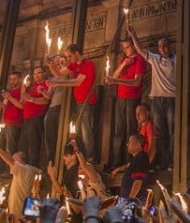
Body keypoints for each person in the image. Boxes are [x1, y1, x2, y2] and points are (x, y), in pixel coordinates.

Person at [127, 26, 175, 169]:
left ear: (169, 46)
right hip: (157, 98)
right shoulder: (155, 59)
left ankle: (172, 161)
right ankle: (163, 161)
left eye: (165, 45)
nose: (162, 48)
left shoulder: (177, 60)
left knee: (172, 130)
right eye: (160, 46)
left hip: (171, 97)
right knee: (160, 132)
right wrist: (134, 35)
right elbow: (141, 51)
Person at [47, 44, 97, 162]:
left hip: (87, 102)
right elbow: (58, 74)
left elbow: (77, 82)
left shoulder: (87, 64)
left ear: (76, 53)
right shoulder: (74, 64)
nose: (68, 59)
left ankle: (90, 158)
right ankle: (83, 157)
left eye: (69, 56)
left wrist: (57, 84)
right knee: (79, 131)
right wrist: (50, 65)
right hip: (78, 101)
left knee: (86, 131)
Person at [105, 39, 146, 168]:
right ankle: (117, 162)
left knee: (131, 130)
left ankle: (130, 161)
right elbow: (115, 75)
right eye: (123, 48)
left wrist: (116, 81)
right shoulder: (124, 60)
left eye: (127, 47)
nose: (125, 50)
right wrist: (123, 65)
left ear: (134, 46)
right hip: (121, 98)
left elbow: (136, 82)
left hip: (132, 98)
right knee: (119, 131)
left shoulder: (139, 60)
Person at [0, 141, 41, 221]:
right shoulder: (28, 171)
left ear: (19, 160)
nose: (10, 165)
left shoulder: (25, 171)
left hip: (19, 217)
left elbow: (11, 161)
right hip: (16, 216)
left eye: (14, 160)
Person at [18, 65, 50, 165]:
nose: (36, 76)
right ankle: (23, 166)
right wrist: (23, 88)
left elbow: (46, 100)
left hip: (36, 117)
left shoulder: (46, 84)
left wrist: (32, 99)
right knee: (23, 145)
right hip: (26, 118)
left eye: (39, 73)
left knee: (33, 144)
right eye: (35, 74)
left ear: (44, 73)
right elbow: (23, 100)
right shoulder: (32, 87)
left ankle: (32, 167)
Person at [0, 70, 23, 178]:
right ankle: (1, 170)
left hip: (14, 122)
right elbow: (5, 107)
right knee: (1, 147)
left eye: (15, 79)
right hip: (5, 122)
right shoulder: (9, 92)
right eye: (11, 79)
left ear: (20, 79)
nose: (12, 81)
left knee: (10, 148)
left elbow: (21, 105)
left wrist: (10, 98)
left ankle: (10, 171)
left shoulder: (21, 90)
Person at [43, 54, 68, 164]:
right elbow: (49, 95)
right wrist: (43, 92)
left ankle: (61, 159)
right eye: (56, 63)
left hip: (62, 107)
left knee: (61, 134)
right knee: (50, 135)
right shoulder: (53, 77)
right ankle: (51, 160)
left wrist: (51, 65)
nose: (58, 64)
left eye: (60, 62)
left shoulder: (66, 73)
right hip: (52, 107)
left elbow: (61, 75)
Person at [117, 134, 149, 202]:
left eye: (130, 142)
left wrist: (130, 200)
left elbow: (138, 181)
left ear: (138, 145)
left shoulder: (140, 159)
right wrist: (118, 169)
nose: (127, 144)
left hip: (135, 203)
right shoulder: (136, 159)